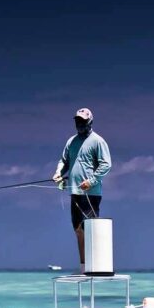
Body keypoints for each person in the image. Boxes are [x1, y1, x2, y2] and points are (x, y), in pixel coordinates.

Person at [52, 108, 112, 273]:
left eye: (83, 121)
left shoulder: (98, 141)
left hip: (90, 193)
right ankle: (84, 266)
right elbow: (64, 161)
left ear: (90, 122)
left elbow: (106, 164)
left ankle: (95, 266)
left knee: (90, 230)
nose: (79, 124)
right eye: (77, 121)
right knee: (78, 229)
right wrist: (58, 173)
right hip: (75, 192)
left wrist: (91, 181)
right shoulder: (71, 141)